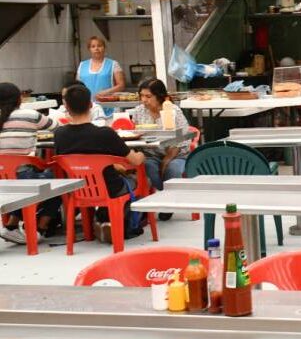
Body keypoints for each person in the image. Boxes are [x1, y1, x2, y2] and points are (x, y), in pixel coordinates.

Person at [54, 83, 145, 243]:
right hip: (111, 188)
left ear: (66, 107)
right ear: (91, 105)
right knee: (140, 180)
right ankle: (122, 223)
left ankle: (102, 220)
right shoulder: (105, 134)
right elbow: (135, 161)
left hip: (77, 189)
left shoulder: (59, 134)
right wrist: (142, 154)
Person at [0, 83, 59, 244]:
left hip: (3, 178)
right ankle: (39, 229)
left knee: (21, 181)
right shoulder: (30, 115)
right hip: (23, 177)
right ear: (19, 99)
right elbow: (57, 128)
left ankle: (11, 226)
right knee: (59, 182)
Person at [129, 78, 189, 197]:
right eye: (141, 96)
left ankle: (171, 198)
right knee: (148, 167)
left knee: (172, 169)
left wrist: (166, 160)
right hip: (151, 154)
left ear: (159, 96)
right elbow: (134, 133)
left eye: (148, 96)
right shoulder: (138, 111)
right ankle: (163, 196)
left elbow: (182, 138)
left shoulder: (173, 110)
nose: (144, 100)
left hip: (176, 154)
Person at [77, 36, 125, 116]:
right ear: (89, 49)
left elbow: (121, 85)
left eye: (99, 46)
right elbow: (77, 87)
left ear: (104, 48)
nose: (96, 48)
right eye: (93, 46)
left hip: (109, 107)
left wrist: (106, 92)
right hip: (87, 107)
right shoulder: (82, 65)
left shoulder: (113, 64)